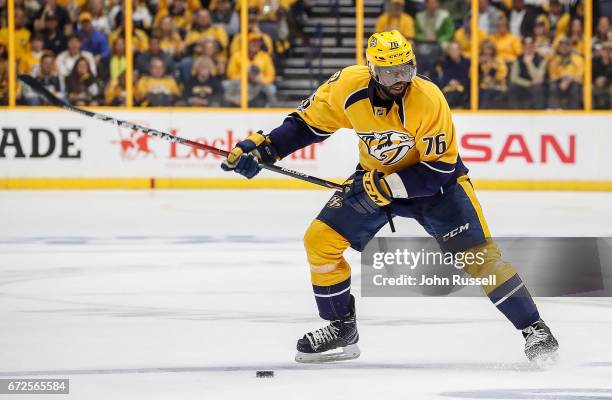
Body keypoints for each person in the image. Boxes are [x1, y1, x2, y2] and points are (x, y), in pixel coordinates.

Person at [220, 30, 559, 363]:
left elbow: (439, 169)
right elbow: (306, 125)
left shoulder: (428, 99)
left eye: (406, 69)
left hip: (438, 190)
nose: (400, 79)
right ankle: (341, 327)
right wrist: (265, 148)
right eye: (390, 72)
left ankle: (534, 328)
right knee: (320, 241)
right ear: (372, 71)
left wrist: (384, 187)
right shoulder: (347, 86)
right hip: (375, 181)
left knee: (480, 258)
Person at [508, 37, 547, 108]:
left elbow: (539, 78)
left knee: (538, 90)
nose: (528, 49)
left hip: (536, 86)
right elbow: (513, 78)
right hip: (524, 84)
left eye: (530, 47)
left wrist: (529, 64)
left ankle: (538, 115)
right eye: (526, 47)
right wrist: (528, 83)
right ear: (522, 48)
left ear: (534, 47)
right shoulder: (518, 59)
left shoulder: (541, 59)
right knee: (512, 88)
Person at [548, 37, 583, 109]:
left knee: (575, 89)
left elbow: (580, 74)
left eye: (566, 45)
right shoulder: (555, 59)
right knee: (553, 87)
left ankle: (573, 112)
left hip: (573, 81)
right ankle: (555, 111)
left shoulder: (578, 59)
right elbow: (552, 75)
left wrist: (568, 80)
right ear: (559, 47)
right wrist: (561, 79)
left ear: (570, 47)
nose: (564, 48)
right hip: (559, 81)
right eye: (562, 46)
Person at [437, 41, 470, 108]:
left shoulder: (467, 62)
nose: (454, 52)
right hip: (449, 90)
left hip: (464, 89)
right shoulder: (444, 63)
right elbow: (443, 78)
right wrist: (449, 81)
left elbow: (469, 78)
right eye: (452, 50)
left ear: (460, 51)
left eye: (456, 50)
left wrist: (460, 82)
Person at [479, 39, 507, 108]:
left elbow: (503, 74)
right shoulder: (479, 61)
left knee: (488, 93)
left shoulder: (498, 60)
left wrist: (494, 69)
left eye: (489, 49)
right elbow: (472, 75)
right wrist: (478, 65)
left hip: (497, 86)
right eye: (485, 49)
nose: (487, 51)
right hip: (483, 86)